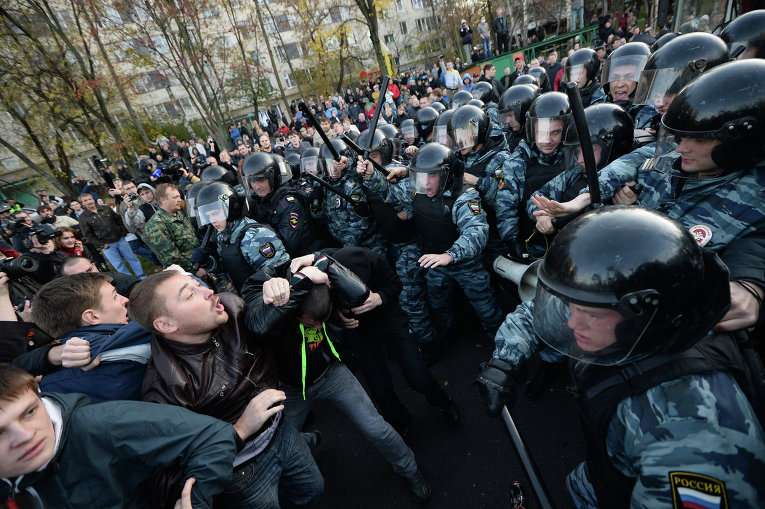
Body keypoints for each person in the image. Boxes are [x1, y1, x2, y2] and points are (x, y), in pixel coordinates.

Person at [477, 207, 765, 507]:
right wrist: (505, 360)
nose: (573, 323)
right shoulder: (611, 308)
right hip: (608, 466)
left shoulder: (696, 442)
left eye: (589, 314)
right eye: (575, 306)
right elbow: (543, 311)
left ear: (645, 315)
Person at [242, 254, 432, 503]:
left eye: (323, 321)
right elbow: (255, 318)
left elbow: (351, 285)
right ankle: (307, 441)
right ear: (295, 315)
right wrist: (287, 285)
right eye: (313, 323)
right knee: (280, 442)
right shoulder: (273, 318)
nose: (319, 329)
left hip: (330, 375)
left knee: (377, 429)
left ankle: (410, 470)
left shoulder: (324, 295)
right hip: (290, 390)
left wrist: (323, 271)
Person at [127, 270, 324, 509]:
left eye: (197, 284)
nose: (208, 291)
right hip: (241, 472)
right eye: (190, 294)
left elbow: (268, 314)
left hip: (281, 430)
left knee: (312, 489)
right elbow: (174, 469)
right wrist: (238, 430)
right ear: (166, 324)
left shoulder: (230, 308)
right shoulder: (166, 388)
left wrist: (280, 282)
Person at [0, 364, 237, 508]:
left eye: (30, 412)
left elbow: (212, 436)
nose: (25, 435)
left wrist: (194, 502)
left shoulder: (101, 424)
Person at [359, 142, 504, 342]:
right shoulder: (418, 191)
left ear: (447, 174)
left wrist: (449, 255)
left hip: (466, 266)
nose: (426, 183)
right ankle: (450, 339)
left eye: (433, 175)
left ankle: (497, 346)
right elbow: (391, 193)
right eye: (421, 176)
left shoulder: (464, 197)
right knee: (439, 305)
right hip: (435, 263)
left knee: (487, 310)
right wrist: (370, 175)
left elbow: (476, 232)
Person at [196, 182, 289, 293]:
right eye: (208, 215)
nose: (212, 220)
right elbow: (232, 266)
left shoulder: (254, 237)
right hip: (246, 296)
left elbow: (280, 277)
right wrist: (209, 263)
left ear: (230, 209)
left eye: (215, 213)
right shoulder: (223, 234)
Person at [242, 152, 321, 258]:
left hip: (306, 257)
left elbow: (288, 245)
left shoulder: (289, 204)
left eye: (260, 180)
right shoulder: (260, 201)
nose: (257, 186)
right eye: (252, 181)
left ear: (271, 177)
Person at [78, 192, 145, 278]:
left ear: (93, 199)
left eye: (90, 199)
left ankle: (141, 276)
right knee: (119, 265)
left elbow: (118, 219)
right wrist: (101, 245)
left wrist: (123, 232)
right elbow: (88, 235)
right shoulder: (83, 218)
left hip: (120, 239)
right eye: (85, 200)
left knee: (132, 258)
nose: (88, 201)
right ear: (82, 203)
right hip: (107, 245)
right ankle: (129, 281)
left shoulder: (105, 208)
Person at [143, 183, 200, 273]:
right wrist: (195, 269)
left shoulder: (179, 212)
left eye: (179, 197)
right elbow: (171, 258)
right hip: (188, 273)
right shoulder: (154, 225)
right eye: (175, 197)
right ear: (163, 200)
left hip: (201, 262)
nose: (179, 200)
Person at [599, 42, 654, 128]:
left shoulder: (653, 115)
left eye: (629, 76)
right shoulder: (600, 108)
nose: (620, 84)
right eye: (614, 77)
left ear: (643, 82)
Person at [497, 84, 538, 152]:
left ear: (524, 112)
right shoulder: (509, 135)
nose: (507, 121)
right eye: (505, 116)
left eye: (510, 115)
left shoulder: (539, 141)